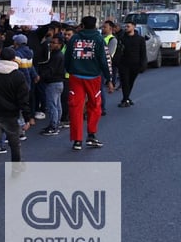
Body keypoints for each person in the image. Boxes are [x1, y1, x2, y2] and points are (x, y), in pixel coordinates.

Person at [0, 48, 34, 187]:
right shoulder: (18, 76)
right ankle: (16, 171)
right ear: (13, 59)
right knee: (15, 145)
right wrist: (28, 117)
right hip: (11, 115)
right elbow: (24, 99)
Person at [64, 16, 111, 151]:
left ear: (82, 25)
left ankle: (77, 140)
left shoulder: (74, 38)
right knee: (95, 106)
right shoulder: (99, 39)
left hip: (75, 77)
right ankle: (91, 135)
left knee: (75, 107)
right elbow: (105, 60)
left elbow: (67, 57)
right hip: (93, 77)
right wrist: (109, 79)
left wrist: (70, 70)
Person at [36, 35, 65, 136]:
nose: (51, 44)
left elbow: (51, 70)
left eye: (54, 43)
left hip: (53, 82)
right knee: (57, 105)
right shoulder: (56, 55)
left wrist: (41, 76)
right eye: (51, 42)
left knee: (52, 105)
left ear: (60, 44)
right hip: (58, 82)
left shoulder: (57, 56)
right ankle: (56, 124)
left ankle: (53, 126)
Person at [115, 22, 147, 108]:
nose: (126, 28)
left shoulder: (140, 39)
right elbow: (118, 51)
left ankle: (126, 98)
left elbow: (143, 53)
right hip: (123, 64)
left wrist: (143, 64)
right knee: (125, 82)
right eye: (125, 26)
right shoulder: (122, 38)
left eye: (128, 26)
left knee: (130, 82)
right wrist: (117, 62)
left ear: (133, 27)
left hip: (135, 65)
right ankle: (125, 100)